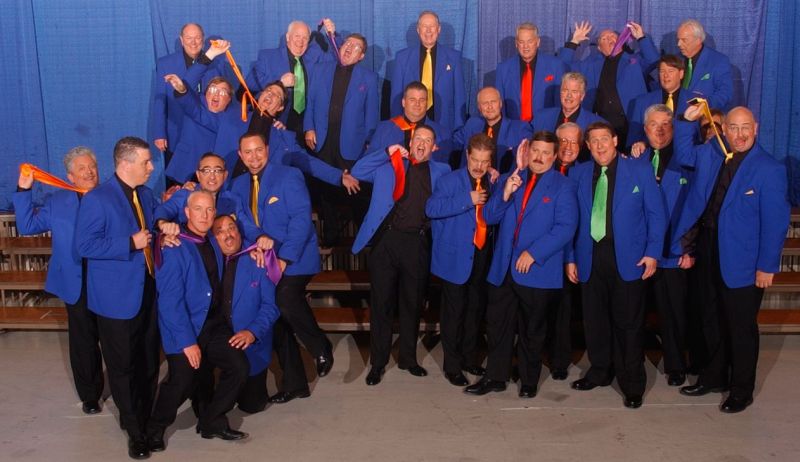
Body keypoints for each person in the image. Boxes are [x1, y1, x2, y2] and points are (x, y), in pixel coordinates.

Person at [675, 106, 789, 413]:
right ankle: (713, 377)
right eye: (733, 128)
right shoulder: (713, 153)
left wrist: (766, 266)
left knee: (740, 328)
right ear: (723, 130)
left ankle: (741, 390)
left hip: (744, 260)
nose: (740, 134)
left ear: (756, 128)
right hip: (709, 248)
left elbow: (776, 223)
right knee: (710, 319)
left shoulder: (769, 169)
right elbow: (684, 153)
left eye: (745, 127)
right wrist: (685, 121)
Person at [76, 137, 175, 459]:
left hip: (147, 292)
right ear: (125, 163)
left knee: (148, 362)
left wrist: (163, 224)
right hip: (115, 300)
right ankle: (135, 432)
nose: (151, 167)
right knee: (123, 368)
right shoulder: (98, 198)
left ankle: (144, 417)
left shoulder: (144, 194)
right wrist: (130, 243)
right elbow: (85, 246)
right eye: (146, 162)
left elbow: (155, 219)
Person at [465, 131, 578, 398]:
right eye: (535, 151)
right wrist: (505, 193)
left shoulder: (563, 186)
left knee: (532, 329)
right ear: (527, 152)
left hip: (536, 270)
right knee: (498, 326)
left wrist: (534, 253)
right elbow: (489, 217)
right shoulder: (512, 178)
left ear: (554, 156)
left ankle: (528, 380)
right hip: (504, 268)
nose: (538, 157)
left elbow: (566, 227)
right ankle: (495, 377)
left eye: (545, 153)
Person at [566, 122, 666, 409]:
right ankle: (600, 371)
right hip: (589, 257)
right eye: (593, 141)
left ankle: (632, 382)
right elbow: (571, 220)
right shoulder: (578, 174)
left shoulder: (640, 171)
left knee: (629, 324)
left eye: (604, 139)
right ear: (587, 146)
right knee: (595, 321)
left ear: (615, 140)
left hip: (628, 258)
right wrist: (570, 257)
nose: (599, 146)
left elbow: (656, 214)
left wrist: (653, 253)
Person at [230, 131, 334, 404]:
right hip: (262, 261)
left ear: (267, 149)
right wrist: (257, 242)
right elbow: (243, 222)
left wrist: (285, 258)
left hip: (295, 258)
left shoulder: (289, 175)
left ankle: (320, 346)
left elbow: (301, 219)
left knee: (285, 297)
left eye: (258, 150)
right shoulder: (237, 185)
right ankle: (295, 384)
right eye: (247, 152)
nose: (254, 157)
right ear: (240, 155)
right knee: (276, 322)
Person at [146, 191, 250, 451]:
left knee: (238, 366)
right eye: (198, 209)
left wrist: (259, 251)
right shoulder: (173, 247)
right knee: (181, 381)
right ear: (186, 213)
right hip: (185, 327)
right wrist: (187, 342)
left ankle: (211, 420)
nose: (204, 215)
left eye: (209, 209)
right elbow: (170, 304)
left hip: (213, 324)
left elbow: (237, 244)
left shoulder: (212, 240)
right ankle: (155, 428)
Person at [351, 125, 451, 385]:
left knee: (412, 303)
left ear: (434, 147)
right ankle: (378, 363)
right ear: (410, 141)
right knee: (381, 304)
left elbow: (456, 191)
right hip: (386, 241)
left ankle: (408, 358)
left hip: (417, 243)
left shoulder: (442, 171)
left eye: (428, 140)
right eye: (418, 138)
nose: (422, 143)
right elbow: (358, 171)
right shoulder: (388, 166)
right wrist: (386, 151)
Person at [13, 147, 103, 414]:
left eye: (92, 167)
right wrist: (23, 189)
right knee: (83, 341)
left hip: (107, 280)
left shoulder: (110, 197)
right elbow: (27, 226)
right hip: (75, 281)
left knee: (115, 339)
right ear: (70, 176)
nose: (89, 172)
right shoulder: (57, 201)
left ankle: (126, 394)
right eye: (82, 168)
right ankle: (90, 395)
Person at [426, 133, 497, 385]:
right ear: (467, 155)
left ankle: (469, 359)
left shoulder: (492, 181)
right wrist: (468, 199)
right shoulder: (449, 180)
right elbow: (431, 209)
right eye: (475, 160)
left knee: (474, 311)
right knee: (453, 314)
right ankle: (452, 366)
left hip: (481, 255)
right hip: (454, 259)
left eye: (484, 162)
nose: (479, 166)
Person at [632, 104, 694, 386]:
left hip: (672, 252)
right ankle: (630, 363)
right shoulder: (636, 159)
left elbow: (697, 207)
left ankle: (676, 366)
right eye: (653, 125)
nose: (659, 130)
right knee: (634, 313)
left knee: (674, 314)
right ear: (645, 129)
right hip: (638, 252)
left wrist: (688, 248)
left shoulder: (686, 161)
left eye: (666, 124)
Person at [304, 32, 377, 246]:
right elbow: (310, 101)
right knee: (324, 189)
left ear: (361, 56)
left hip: (352, 143)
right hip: (323, 139)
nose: (349, 48)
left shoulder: (369, 78)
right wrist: (309, 128)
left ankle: (365, 236)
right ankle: (331, 234)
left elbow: (372, 114)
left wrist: (369, 142)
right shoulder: (320, 69)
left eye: (356, 47)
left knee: (354, 189)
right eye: (348, 43)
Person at [211, 214, 281, 414]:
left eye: (232, 228)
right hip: (218, 342)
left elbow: (271, 306)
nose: (228, 235)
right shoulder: (209, 262)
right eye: (220, 231)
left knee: (252, 406)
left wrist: (252, 332)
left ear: (240, 231)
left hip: (250, 345)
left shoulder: (258, 260)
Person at [559, 21, 659, 147]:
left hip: (631, 124)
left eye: (613, 36)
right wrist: (574, 42)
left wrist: (641, 37)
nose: (609, 39)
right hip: (601, 126)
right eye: (604, 38)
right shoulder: (591, 65)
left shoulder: (634, 61)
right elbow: (560, 67)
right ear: (599, 48)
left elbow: (654, 60)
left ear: (621, 40)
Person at [244, 19, 338, 140]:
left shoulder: (315, 56)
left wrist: (332, 36)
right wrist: (279, 82)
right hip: (277, 125)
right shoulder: (268, 56)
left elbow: (338, 61)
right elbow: (250, 83)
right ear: (288, 37)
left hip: (308, 127)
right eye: (297, 36)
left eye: (305, 38)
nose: (301, 41)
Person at [150, 23, 226, 169]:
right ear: (181, 40)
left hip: (206, 132)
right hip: (177, 131)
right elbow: (160, 101)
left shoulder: (216, 64)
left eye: (197, 38)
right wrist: (159, 133)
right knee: (178, 177)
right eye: (189, 38)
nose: (193, 42)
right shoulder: (165, 63)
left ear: (203, 39)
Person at [390, 10, 466, 136]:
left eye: (432, 26)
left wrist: (459, 131)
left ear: (439, 29)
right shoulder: (402, 58)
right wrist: (396, 128)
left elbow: (459, 97)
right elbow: (396, 96)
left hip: (444, 125)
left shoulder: (454, 58)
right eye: (424, 26)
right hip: (409, 126)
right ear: (418, 30)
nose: (429, 31)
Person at [547, 122, 584, 379]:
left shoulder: (586, 173)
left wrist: (571, 256)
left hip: (572, 253)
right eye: (563, 141)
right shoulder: (543, 169)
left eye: (574, 142)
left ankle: (559, 362)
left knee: (563, 309)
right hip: (544, 251)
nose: (568, 147)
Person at [495, 22, 568, 122]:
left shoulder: (555, 66)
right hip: (514, 127)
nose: (525, 46)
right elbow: (500, 105)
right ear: (516, 44)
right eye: (521, 42)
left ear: (537, 42)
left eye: (530, 41)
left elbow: (559, 102)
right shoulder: (503, 69)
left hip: (545, 127)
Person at [451, 86, 533, 172]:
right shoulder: (472, 124)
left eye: (493, 102)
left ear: (500, 104)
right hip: (472, 177)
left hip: (505, 178)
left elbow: (530, 154)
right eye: (485, 103)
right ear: (479, 107)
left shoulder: (520, 129)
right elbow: (453, 142)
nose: (489, 107)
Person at [371, 81, 452, 163]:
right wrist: (387, 153)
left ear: (427, 104)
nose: (417, 104)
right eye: (412, 100)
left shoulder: (443, 134)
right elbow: (368, 162)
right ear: (403, 102)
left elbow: (445, 167)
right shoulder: (383, 129)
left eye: (422, 100)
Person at [628, 55, 689, 145]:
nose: (666, 75)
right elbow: (634, 139)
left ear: (681, 74)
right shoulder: (642, 102)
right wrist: (642, 144)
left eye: (670, 71)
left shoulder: (695, 101)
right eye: (662, 71)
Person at [676, 19, 733, 111]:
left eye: (684, 40)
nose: (679, 44)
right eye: (678, 39)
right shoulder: (676, 59)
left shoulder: (718, 61)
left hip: (705, 115)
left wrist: (703, 105)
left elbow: (725, 94)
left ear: (698, 40)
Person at [533, 72, 606, 135]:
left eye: (574, 91)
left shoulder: (596, 124)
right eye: (565, 90)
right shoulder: (541, 117)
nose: (569, 95)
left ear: (582, 96)